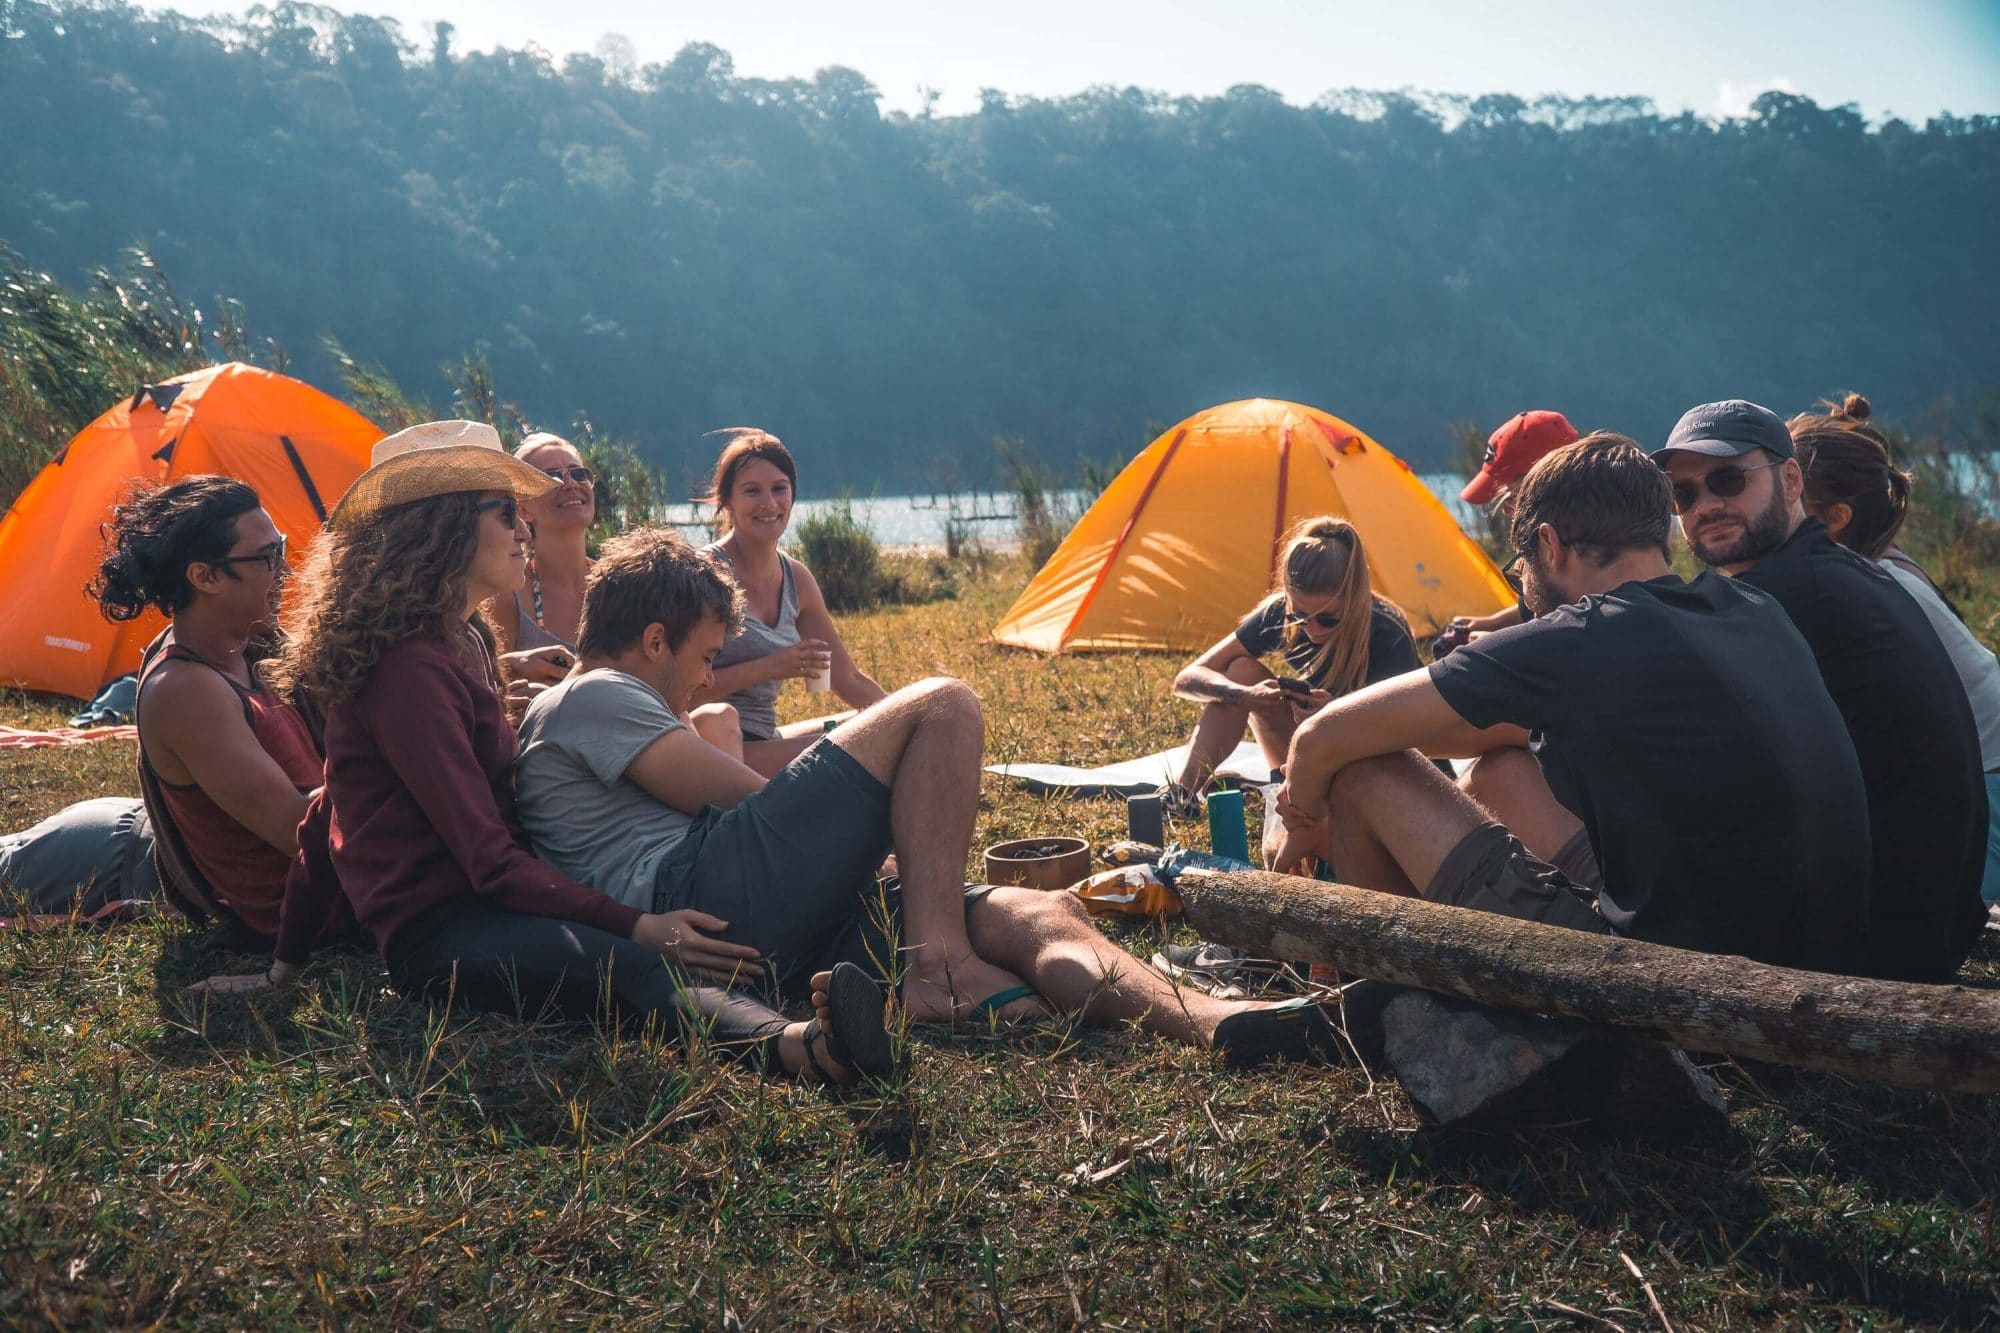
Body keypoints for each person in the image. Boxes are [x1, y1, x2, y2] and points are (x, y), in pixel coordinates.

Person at [192, 421, 894, 1087]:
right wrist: (637, 922)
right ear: (444, 530)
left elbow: (325, 814)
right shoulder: (407, 670)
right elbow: (484, 859)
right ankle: (807, 1049)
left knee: (653, 958)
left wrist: (285, 962)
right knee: (634, 970)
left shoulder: (461, 642)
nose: (524, 526)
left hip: (504, 899)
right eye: (505, 511)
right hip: (446, 930)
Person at [513, 522, 1349, 1065]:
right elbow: (735, 796)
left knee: (1035, 913)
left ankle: (1217, 1021)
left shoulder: (609, 703)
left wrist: (874, 834)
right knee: (944, 701)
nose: (704, 678)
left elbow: (754, 801)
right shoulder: (587, 694)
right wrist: (865, 823)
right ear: (653, 639)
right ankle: (938, 966)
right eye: (700, 656)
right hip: (697, 896)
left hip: (752, 917)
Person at [1272, 435, 1871, 976]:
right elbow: (1473, 733)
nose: (1525, 592)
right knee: (1504, 771)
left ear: (1549, 546)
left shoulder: (1581, 636)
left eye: (1520, 571)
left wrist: (1299, 826)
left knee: (1361, 774)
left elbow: (1325, 736)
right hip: (1811, 956)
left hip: (1684, 986)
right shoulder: (1748, 610)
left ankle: (1387, 1003)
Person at [1655, 400, 1987, 981]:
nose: (1706, 506)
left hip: (1867, 957)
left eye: (1727, 480)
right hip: (1928, 931)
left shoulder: (1774, 599)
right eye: (1684, 496)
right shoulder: (1844, 574)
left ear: (1790, 480)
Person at [87, 476, 326, 941]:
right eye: (266, 558)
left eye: (280, 548)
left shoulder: (251, 644)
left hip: (340, 876)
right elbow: (296, 832)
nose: (284, 570)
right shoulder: (185, 690)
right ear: (205, 577)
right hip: (305, 908)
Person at [1789, 402, 2000, 903]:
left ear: (1834, 518)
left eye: (1790, 490)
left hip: (1987, 785)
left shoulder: (1867, 587)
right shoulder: (1880, 561)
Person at [1164, 517, 1420, 813]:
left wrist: (1337, 714)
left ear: (1354, 600)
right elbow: (1187, 678)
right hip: (1313, 748)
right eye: (1300, 615)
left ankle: (1292, 790)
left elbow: (1409, 729)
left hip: (1376, 762)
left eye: (1328, 619)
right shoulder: (1280, 614)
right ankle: (1180, 799)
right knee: (1240, 673)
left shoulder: (1386, 632)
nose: (1312, 629)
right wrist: (1243, 696)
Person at [693, 429, 888, 776]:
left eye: (779, 488)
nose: (769, 504)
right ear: (727, 501)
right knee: (868, 744)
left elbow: (847, 680)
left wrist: (908, 717)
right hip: (714, 744)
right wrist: (771, 666)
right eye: (752, 491)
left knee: (879, 725)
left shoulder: (796, 578)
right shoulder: (702, 575)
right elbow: (676, 694)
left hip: (766, 739)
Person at [1439, 410, 1579, 647]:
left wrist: (1494, 644)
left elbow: (1564, 633)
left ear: (1542, 480)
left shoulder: (1575, 548)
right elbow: (1537, 607)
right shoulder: (1558, 539)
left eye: (1509, 496)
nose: (1506, 510)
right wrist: (1491, 623)